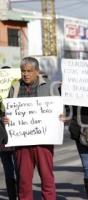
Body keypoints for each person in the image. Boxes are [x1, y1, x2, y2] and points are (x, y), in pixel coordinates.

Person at [3, 57, 61, 199]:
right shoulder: (15, 87)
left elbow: (60, 111)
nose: (26, 74)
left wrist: (62, 117)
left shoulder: (49, 87)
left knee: (47, 180)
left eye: (29, 71)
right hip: (22, 144)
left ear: (37, 71)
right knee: (23, 182)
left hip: (44, 143)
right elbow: (9, 111)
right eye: (23, 71)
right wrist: (6, 119)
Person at [0, 65, 18, 200]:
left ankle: (14, 195)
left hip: (13, 137)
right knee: (14, 166)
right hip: (6, 138)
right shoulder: (17, 91)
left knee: (10, 167)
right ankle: (15, 194)